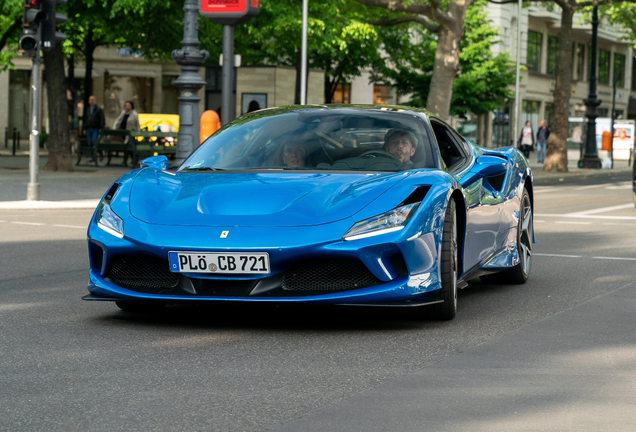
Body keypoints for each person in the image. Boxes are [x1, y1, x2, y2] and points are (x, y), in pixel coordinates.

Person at [113, 101, 140, 165]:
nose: (127, 107)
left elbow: (138, 124)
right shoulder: (123, 113)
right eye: (126, 105)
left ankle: (128, 160)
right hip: (124, 133)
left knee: (129, 146)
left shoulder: (134, 114)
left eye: (128, 105)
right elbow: (118, 121)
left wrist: (137, 132)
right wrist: (114, 128)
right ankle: (133, 159)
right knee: (127, 146)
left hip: (131, 133)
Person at [82, 95, 105, 162]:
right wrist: (84, 128)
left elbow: (102, 119)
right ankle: (93, 157)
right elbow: (86, 119)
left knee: (94, 142)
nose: (91, 101)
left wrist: (101, 127)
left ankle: (100, 153)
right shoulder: (88, 110)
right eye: (90, 100)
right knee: (89, 143)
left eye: (92, 100)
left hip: (95, 128)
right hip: (89, 128)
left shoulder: (99, 110)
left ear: (95, 101)